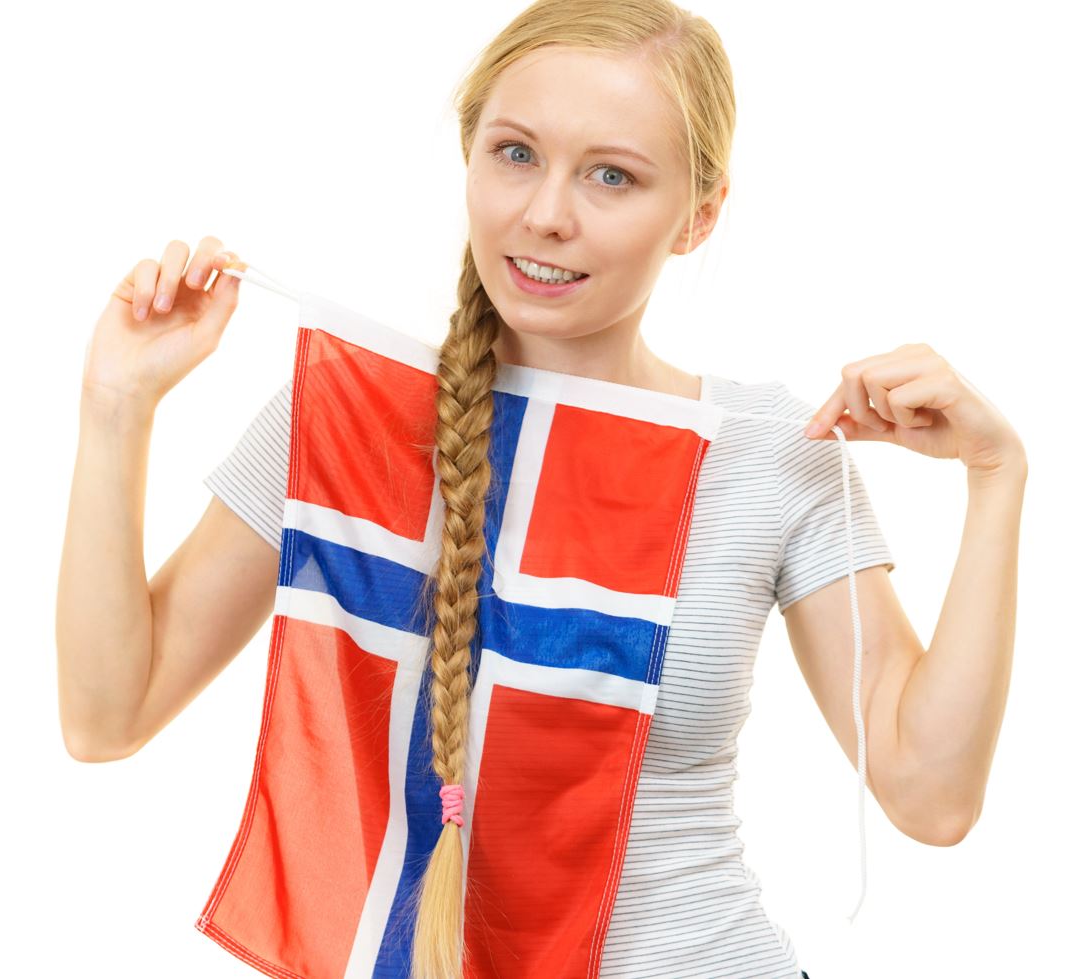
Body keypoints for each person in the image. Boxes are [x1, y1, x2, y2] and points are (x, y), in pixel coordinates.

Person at [56, 1, 1027, 976]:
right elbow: (110, 713)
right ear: (470, 157)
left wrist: (997, 476)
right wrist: (114, 405)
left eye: (613, 175)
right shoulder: (350, 425)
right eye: (516, 153)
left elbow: (930, 795)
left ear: (699, 214)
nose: (546, 213)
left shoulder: (770, 451)